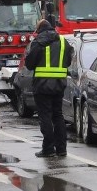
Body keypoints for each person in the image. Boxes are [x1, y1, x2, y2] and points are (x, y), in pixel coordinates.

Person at [24, 18, 74, 158]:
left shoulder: (38, 42)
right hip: (59, 84)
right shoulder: (63, 41)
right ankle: (61, 149)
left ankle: (48, 149)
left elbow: (29, 64)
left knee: (45, 116)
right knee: (58, 115)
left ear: (39, 30)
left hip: (42, 86)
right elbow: (68, 61)